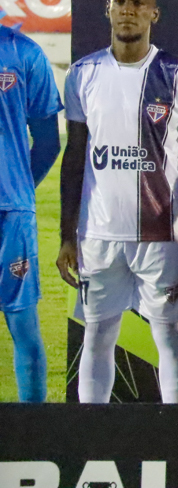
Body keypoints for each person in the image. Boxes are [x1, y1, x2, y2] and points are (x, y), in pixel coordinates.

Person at [57, 0, 178, 403]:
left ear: (154, 13)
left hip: (162, 234)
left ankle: (177, 432)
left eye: (136, 3)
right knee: (97, 334)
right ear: (108, 9)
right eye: (120, 2)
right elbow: (74, 157)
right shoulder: (83, 74)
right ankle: (93, 430)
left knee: (170, 334)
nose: (127, 10)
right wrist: (66, 236)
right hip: (99, 234)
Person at [0, 24, 62, 402]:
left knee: (24, 325)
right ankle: (34, 430)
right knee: (24, 326)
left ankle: (33, 428)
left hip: (13, 213)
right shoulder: (24, 50)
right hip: (13, 211)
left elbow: (49, 141)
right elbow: (49, 141)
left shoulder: (23, 53)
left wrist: (20, 188)